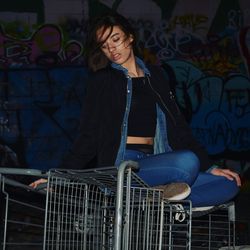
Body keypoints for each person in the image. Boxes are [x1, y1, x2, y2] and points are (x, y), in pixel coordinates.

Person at [31, 13, 241, 209]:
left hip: (159, 161)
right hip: (125, 167)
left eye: (116, 39)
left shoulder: (157, 76)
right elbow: (88, 136)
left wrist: (211, 167)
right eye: (104, 46)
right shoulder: (103, 81)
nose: (112, 49)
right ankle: (152, 195)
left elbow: (180, 129)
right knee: (187, 163)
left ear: (129, 37)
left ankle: (157, 201)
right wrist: (58, 176)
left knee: (228, 183)